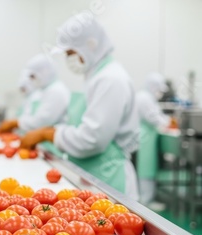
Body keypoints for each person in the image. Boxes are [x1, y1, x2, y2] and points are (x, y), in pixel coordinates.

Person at [20, 15, 140, 200]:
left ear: (90, 44)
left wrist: (47, 133)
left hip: (109, 178)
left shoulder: (110, 79)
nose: (69, 59)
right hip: (95, 175)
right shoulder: (97, 77)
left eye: (70, 53)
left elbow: (92, 139)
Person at [0, 54, 70, 134]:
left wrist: (15, 123)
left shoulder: (56, 90)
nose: (32, 80)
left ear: (45, 72)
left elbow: (43, 121)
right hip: (42, 139)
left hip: (51, 142)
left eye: (33, 76)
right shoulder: (45, 90)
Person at [136, 72, 174, 207]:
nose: (160, 93)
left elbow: (156, 115)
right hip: (145, 136)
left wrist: (166, 121)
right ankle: (146, 200)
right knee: (146, 167)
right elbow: (153, 117)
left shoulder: (147, 97)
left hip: (148, 135)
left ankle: (147, 197)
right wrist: (169, 122)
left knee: (148, 167)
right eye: (158, 89)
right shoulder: (144, 98)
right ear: (153, 86)